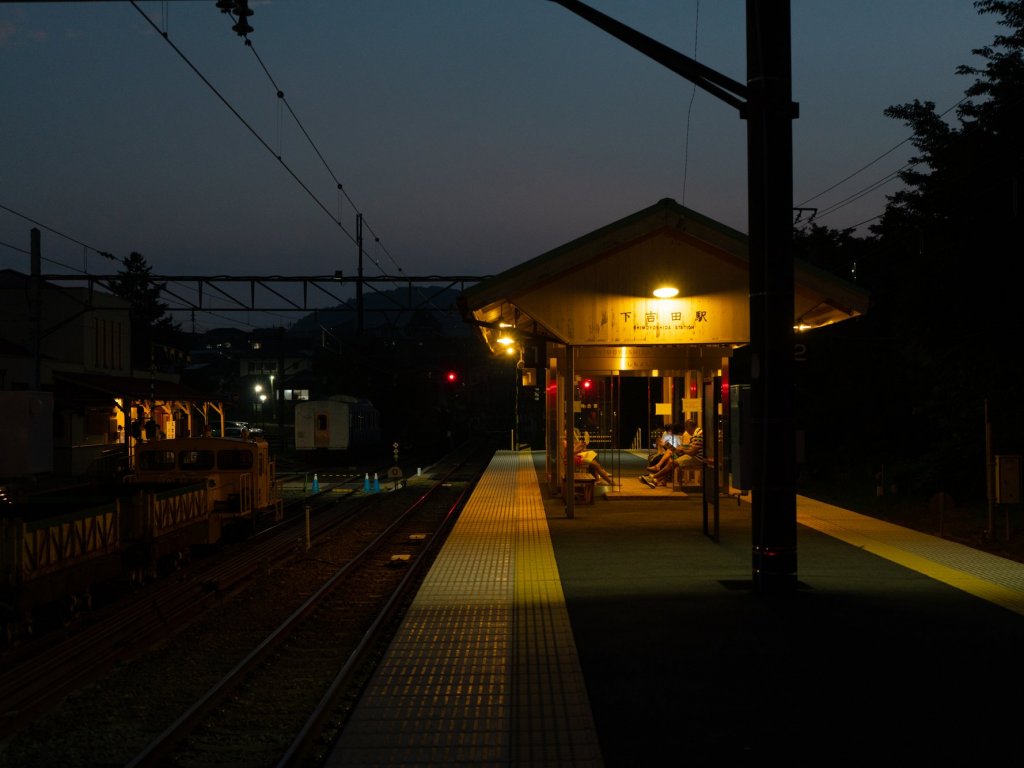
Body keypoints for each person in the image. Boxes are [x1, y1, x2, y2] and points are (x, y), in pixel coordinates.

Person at [640, 419, 702, 488]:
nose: (687, 431)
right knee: (671, 459)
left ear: (688, 427)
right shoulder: (698, 433)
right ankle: (656, 478)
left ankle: (653, 477)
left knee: (672, 462)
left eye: (686, 429)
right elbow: (692, 448)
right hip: (695, 456)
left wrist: (682, 450)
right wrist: (682, 448)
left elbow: (693, 452)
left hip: (697, 458)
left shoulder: (697, 435)